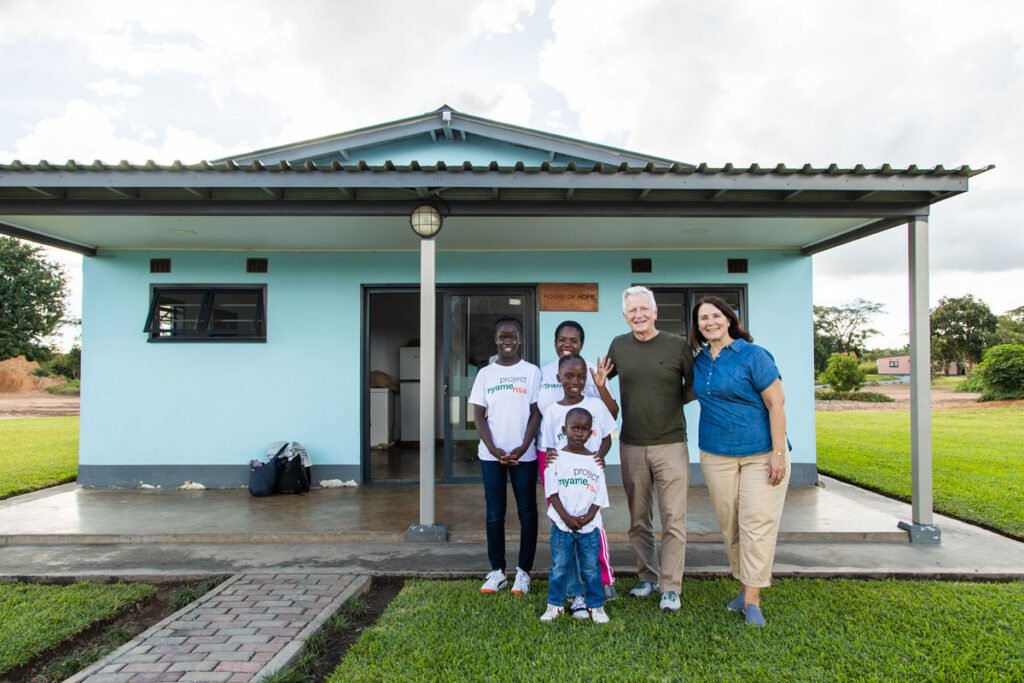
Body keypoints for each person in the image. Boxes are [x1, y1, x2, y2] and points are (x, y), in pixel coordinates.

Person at [689, 296, 790, 627]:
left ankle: (752, 600)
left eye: (715, 316)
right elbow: (678, 392)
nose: (710, 322)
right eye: (703, 318)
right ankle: (745, 584)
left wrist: (778, 453)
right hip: (716, 454)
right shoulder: (701, 361)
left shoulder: (753, 355)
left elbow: (776, 403)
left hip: (761, 453)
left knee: (756, 522)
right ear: (698, 326)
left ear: (729, 319)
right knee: (730, 524)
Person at [605, 285, 695, 612]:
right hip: (630, 445)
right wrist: (600, 388)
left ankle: (671, 587)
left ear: (655, 311)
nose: (639, 315)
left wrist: (670, 403)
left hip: (671, 444)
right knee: (638, 518)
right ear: (625, 316)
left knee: (673, 518)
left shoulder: (677, 347)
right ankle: (648, 577)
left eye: (644, 309)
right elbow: (606, 394)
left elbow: (693, 386)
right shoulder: (618, 346)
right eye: (632, 311)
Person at [469, 316, 542, 596]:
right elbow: (478, 414)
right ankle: (497, 571)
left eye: (512, 336)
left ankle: (523, 573)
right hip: (492, 456)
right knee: (494, 513)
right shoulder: (486, 374)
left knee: (527, 513)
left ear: (520, 339)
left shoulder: (531, 372)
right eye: (502, 337)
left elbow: (536, 411)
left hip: (523, 453)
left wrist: (524, 446)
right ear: (496, 340)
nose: (507, 341)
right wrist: (492, 448)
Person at [540, 353, 616, 616]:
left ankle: (598, 591)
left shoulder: (595, 406)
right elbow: (550, 448)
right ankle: (573, 593)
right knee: (564, 540)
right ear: (558, 378)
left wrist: (598, 459)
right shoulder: (552, 412)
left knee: (590, 539)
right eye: (569, 376)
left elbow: (606, 437)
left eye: (580, 376)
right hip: (565, 488)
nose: (575, 381)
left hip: (588, 487)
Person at [537, 320, 619, 419]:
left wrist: (601, 388)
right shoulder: (544, 373)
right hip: (550, 434)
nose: (567, 344)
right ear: (555, 343)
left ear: (581, 344)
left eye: (573, 341)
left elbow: (613, 415)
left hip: (587, 434)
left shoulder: (595, 372)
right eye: (562, 340)